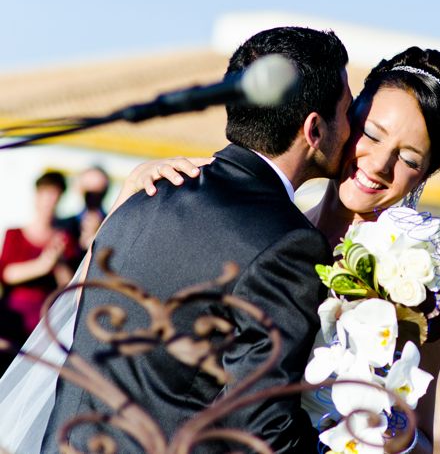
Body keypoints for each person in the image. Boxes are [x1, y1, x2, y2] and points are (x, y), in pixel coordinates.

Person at [119, 44, 440, 453]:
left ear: (426, 174)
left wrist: (387, 436)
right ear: (346, 118)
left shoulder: (420, 296)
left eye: (408, 158)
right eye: (371, 134)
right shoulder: (256, 231)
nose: (378, 165)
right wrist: (140, 190)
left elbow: (423, 437)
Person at [39, 26, 354, 453]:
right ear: (313, 129)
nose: (352, 129)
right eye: (348, 112)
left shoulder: (145, 194)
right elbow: (261, 426)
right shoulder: (287, 242)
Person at [0, 171, 79, 345]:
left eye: (54, 195)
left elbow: (70, 286)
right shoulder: (14, 234)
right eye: (46, 194)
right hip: (10, 321)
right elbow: (7, 274)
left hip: (45, 324)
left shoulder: (65, 239)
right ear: (36, 196)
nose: (49, 201)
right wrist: (42, 265)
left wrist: (58, 262)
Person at [58, 166, 110, 254]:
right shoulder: (64, 226)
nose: (93, 194)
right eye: (89, 187)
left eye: (98, 188)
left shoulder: (112, 225)